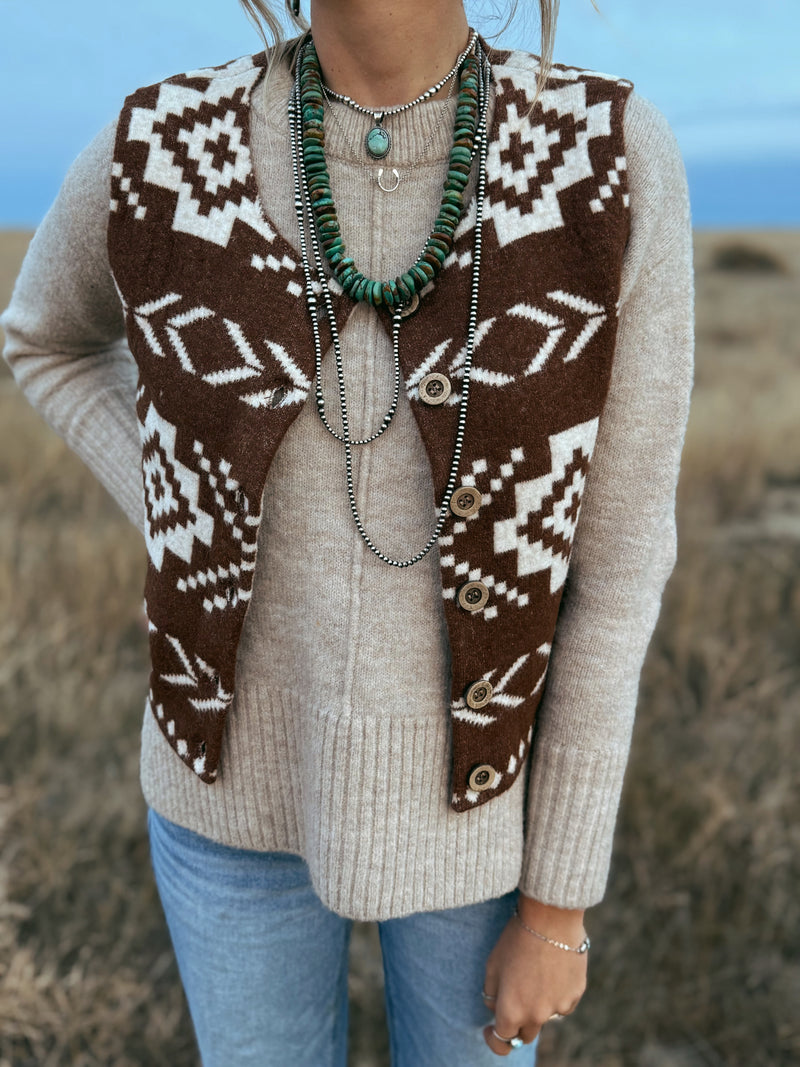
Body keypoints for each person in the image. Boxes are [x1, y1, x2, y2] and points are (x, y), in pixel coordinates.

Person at [0, 0, 694, 1062]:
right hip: (222, 789)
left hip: (481, 814)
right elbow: (44, 339)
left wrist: (557, 905)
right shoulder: (164, 138)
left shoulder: (600, 151)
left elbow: (620, 557)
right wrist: (192, 506)